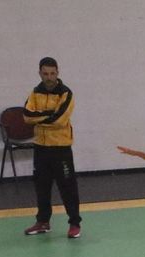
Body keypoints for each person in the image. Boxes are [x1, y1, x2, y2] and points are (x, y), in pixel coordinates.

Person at [22, 57, 82, 239]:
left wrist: (40, 117)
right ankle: (43, 222)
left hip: (61, 147)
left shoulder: (66, 93)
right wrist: (49, 114)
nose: (49, 77)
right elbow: (26, 116)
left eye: (52, 73)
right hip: (41, 146)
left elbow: (60, 120)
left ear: (58, 73)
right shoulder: (35, 92)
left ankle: (74, 223)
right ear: (40, 73)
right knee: (42, 186)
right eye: (45, 73)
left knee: (67, 187)